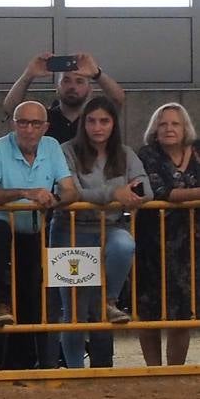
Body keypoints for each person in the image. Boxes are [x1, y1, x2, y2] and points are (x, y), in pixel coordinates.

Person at [49, 96, 143, 368]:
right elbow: (72, 192)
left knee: (125, 245)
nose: (97, 127)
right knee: (74, 311)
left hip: (111, 228)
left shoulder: (126, 154)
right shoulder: (66, 150)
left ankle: (109, 299)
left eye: (104, 121)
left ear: (114, 124)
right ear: (83, 124)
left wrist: (130, 194)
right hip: (70, 230)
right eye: (91, 121)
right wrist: (114, 193)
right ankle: (76, 371)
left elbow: (144, 188)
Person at [0, 100, 77, 341]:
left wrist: (54, 199)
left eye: (35, 123)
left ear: (45, 127)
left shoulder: (52, 147)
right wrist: (24, 193)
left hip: (32, 231)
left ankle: (27, 364)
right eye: (23, 122)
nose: (28, 129)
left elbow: (71, 191)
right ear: (13, 124)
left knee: (31, 298)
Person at [134, 103, 200, 366]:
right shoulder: (147, 155)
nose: (169, 129)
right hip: (153, 241)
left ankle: (174, 370)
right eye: (163, 124)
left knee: (182, 310)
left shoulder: (197, 153)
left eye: (175, 123)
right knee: (149, 308)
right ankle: (152, 369)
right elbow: (162, 192)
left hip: (191, 244)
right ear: (155, 129)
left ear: (186, 128)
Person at [2, 52, 125, 145]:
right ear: (57, 87)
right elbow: (11, 108)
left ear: (90, 89)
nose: (72, 87)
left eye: (79, 81)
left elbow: (118, 99)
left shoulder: (95, 119)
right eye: (66, 81)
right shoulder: (44, 118)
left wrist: (97, 74)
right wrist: (28, 75)